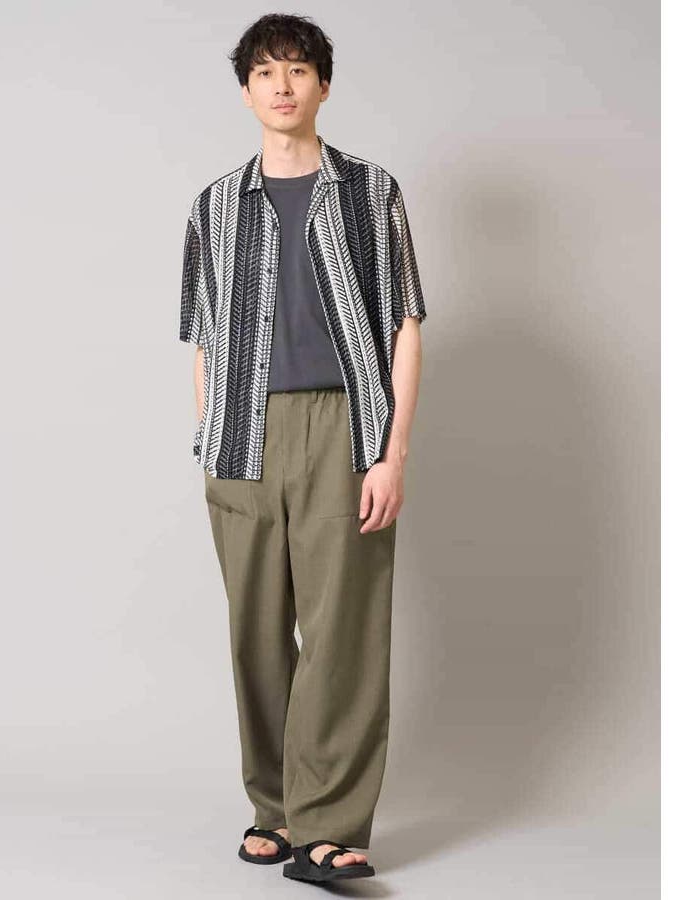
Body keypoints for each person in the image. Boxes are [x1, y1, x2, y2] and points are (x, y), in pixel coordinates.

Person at [178, 12, 426, 884]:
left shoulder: (370, 192)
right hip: (241, 435)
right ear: (246, 90)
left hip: (345, 429)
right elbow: (204, 337)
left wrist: (392, 454)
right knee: (254, 634)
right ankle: (275, 810)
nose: (282, 85)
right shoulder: (213, 205)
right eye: (265, 72)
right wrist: (210, 436)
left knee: (342, 631)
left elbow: (404, 324)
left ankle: (332, 825)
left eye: (298, 69)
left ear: (324, 84)